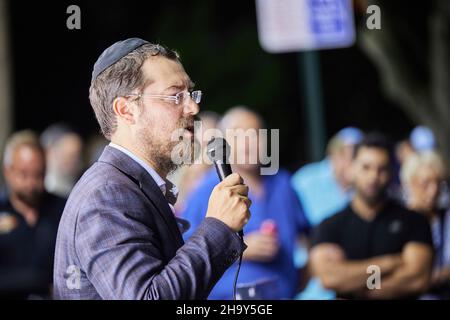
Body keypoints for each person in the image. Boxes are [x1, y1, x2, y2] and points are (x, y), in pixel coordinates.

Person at [53, 38, 251, 300]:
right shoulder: (106, 195)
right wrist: (217, 226)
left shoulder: (130, 185)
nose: (193, 107)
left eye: (191, 93)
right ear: (126, 110)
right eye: (175, 95)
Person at [182, 107, 310, 299]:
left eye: (256, 134)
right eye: (239, 135)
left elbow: (308, 238)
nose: (248, 143)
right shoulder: (207, 190)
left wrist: (307, 271)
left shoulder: (283, 184)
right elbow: (186, 257)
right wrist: (238, 248)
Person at [310, 133, 434, 299]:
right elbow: (329, 277)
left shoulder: (413, 221)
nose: (373, 177)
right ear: (352, 168)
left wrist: (355, 283)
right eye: (366, 167)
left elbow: (416, 279)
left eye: (381, 169)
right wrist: (390, 263)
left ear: (391, 171)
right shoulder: (330, 225)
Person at [292, 127, 363, 300]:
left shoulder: (361, 190)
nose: (354, 165)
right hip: (310, 288)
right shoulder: (305, 181)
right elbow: (291, 229)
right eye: (350, 156)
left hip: (351, 286)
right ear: (334, 155)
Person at [0, 130, 65, 299]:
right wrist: (41, 281)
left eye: (38, 174)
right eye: (23, 174)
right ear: (7, 171)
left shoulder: (63, 209)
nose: (31, 182)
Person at [401, 151, 450, 299]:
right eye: (425, 183)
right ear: (409, 184)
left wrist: (429, 279)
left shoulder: (445, 219)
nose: (433, 190)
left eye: (438, 183)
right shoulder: (396, 221)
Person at [40, 123, 84, 198]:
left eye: (77, 156)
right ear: (49, 153)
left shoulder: (82, 188)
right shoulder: (38, 189)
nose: (73, 162)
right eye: (68, 155)